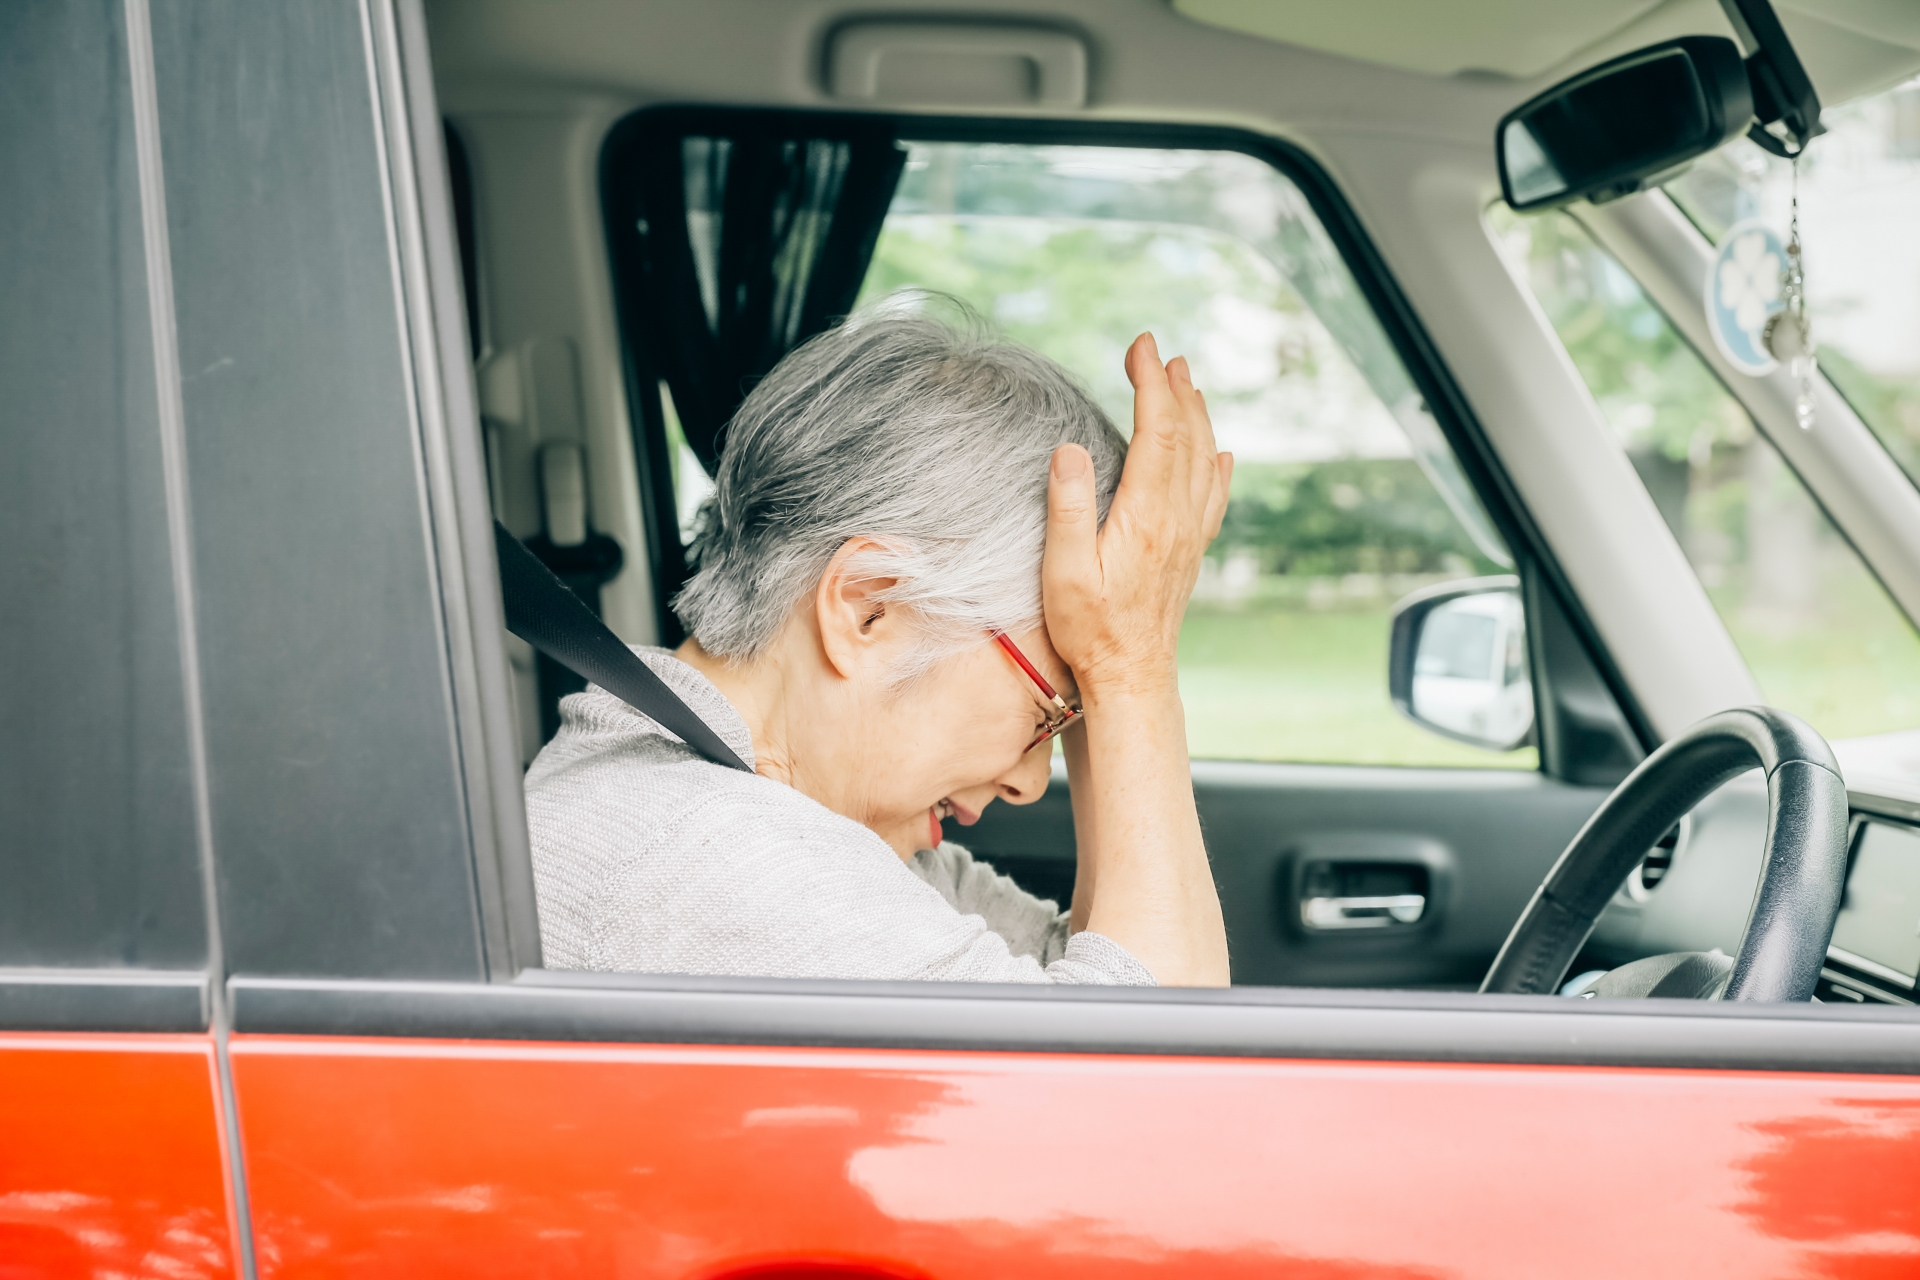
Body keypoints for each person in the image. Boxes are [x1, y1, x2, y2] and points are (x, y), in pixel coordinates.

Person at [526, 300, 1233, 986]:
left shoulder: (776, 813)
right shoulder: (708, 853)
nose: (1026, 783)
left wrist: (1100, 674)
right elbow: (1156, 1062)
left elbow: (1092, 965)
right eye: (1047, 714)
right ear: (869, 606)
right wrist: (1127, 664)